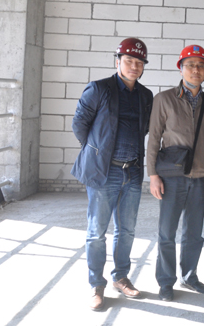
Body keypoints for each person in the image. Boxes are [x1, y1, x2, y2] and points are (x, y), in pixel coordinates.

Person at [71, 38, 154, 311]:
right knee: (97, 232)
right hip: (104, 172)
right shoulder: (99, 89)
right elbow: (79, 124)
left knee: (127, 230)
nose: (134, 66)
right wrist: (96, 151)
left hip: (133, 172)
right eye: (129, 61)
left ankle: (121, 277)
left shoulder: (145, 96)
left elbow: (144, 129)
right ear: (117, 61)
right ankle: (96, 284)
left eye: (139, 62)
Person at [146, 45, 204, 302]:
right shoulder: (164, 99)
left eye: (201, 65)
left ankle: (189, 276)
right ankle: (166, 281)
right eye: (190, 65)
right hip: (172, 177)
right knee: (167, 232)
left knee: (194, 233)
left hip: (201, 176)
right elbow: (153, 139)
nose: (195, 70)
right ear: (181, 69)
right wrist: (153, 175)